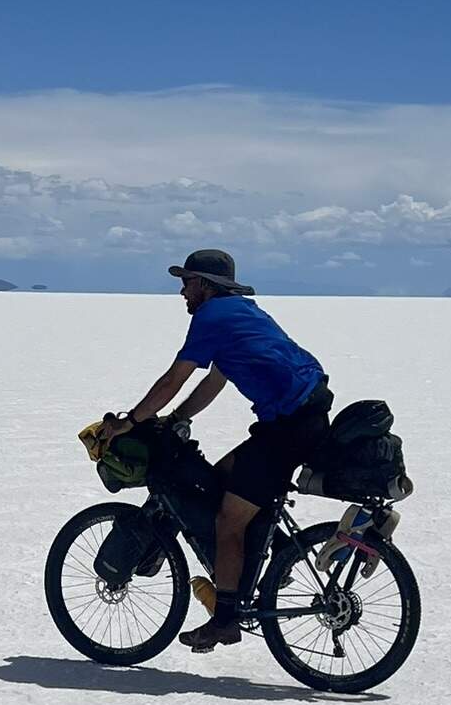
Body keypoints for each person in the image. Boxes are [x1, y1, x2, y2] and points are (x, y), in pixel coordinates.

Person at [102, 249, 332, 651]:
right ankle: (275, 554)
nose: (182, 292)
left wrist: (132, 420)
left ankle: (225, 619)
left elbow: (175, 377)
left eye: (187, 282)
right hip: (298, 417)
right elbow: (215, 381)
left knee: (229, 521)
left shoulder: (212, 317)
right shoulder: (240, 313)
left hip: (289, 427)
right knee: (222, 477)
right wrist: (176, 418)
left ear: (206, 285)